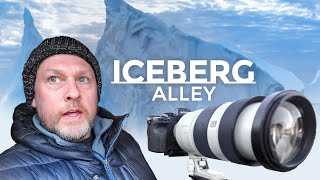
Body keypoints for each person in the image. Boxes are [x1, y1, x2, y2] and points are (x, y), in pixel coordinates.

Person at [0, 36, 156, 180]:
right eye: (54, 79)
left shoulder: (124, 142)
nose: (73, 93)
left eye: (83, 79)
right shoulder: (8, 173)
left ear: (97, 92)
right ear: (33, 97)